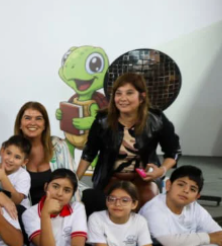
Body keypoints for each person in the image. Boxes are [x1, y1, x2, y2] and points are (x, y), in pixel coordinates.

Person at [77, 72, 181, 210]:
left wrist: (161, 171)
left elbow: (173, 151)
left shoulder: (156, 119)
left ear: (142, 97)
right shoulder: (103, 120)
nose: (122, 98)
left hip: (143, 179)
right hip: (110, 177)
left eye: (129, 93)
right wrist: (74, 180)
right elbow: (89, 152)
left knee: (148, 205)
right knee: (110, 206)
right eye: (118, 93)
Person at [14, 101, 75, 205]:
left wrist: (71, 215)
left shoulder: (58, 145)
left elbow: (72, 183)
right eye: (27, 118)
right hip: (25, 212)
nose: (32, 123)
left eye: (38, 118)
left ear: (45, 125)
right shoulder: (12, 151)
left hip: (57, 209)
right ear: (20, 124)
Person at [0, 135, 32, 208]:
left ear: (24, 162)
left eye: (17, 157)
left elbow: (17, 200)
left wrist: (3, 178)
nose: (11, 160)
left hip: (19, 212)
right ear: (2, 151)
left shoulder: (23, 175)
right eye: (8, 153)